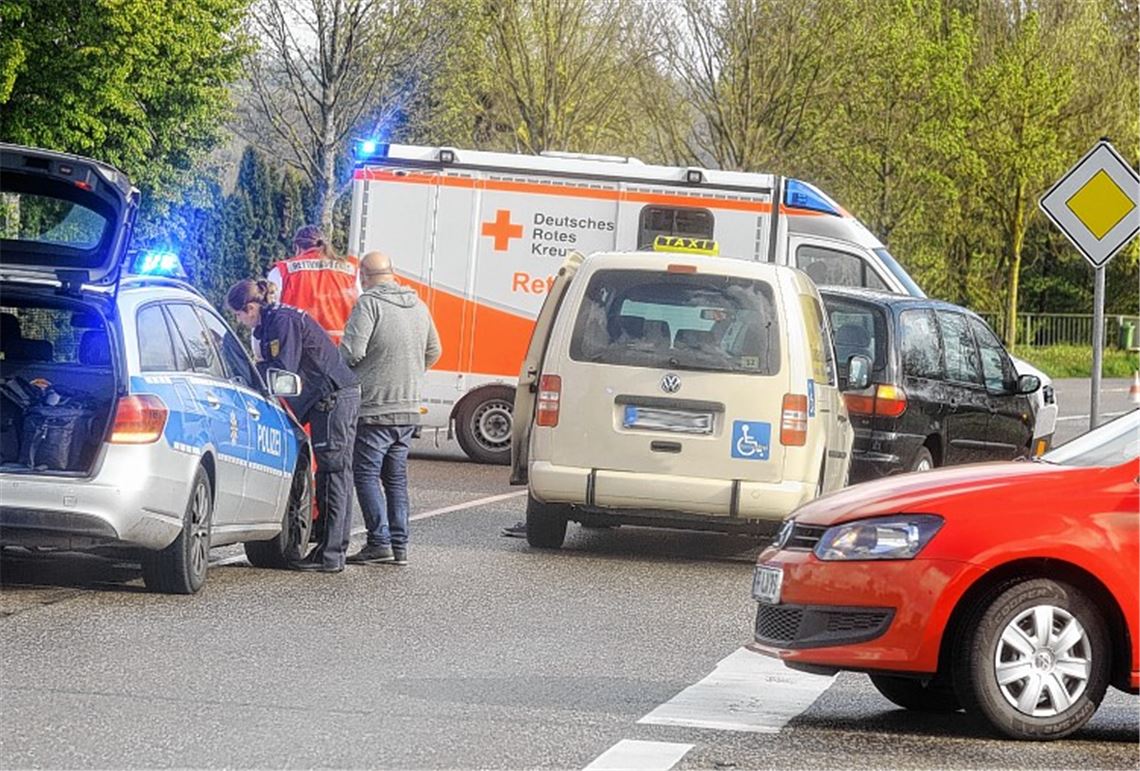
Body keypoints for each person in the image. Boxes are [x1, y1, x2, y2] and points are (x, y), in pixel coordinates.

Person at [227, 279, 361, 573]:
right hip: (327, 396)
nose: (239, 322)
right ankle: (329, 549)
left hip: (332, 396)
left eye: (238, 315)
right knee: (332, 474)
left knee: (333, 473)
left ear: (251, 307)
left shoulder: (282, 322)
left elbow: (283, 371)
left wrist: (249, 373)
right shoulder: (272, 322)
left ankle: (330, 554)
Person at [340, 251, 441, 566]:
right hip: (408, 408)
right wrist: (409, 375)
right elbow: (435, 350)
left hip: (375, 407)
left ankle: (378, 542)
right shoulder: (419, 305)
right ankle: (400, 546)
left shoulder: (369, 304)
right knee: (395, 478)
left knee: (366, 474)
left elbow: (352, 351)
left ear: (363, 276)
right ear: (392, 273)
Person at [266, 225, 361, 346]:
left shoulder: (282, 272)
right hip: (341, 349)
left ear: (297, 247)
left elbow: (269, 316)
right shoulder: (352, 272)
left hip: (298, 349)